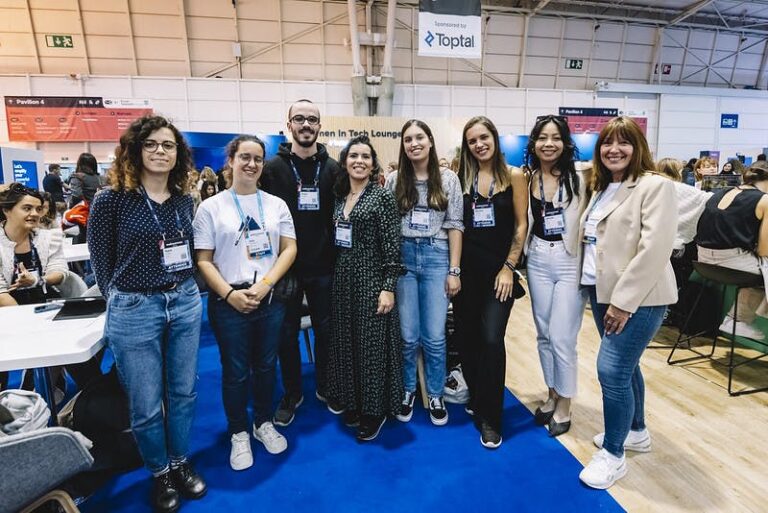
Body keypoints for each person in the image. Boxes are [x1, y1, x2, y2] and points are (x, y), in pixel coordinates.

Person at [87, 115, 206, 512]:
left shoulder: (183, 201)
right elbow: (101, 263)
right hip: (136, 307)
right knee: (145, 400)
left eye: (168, 145)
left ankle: (180, 461)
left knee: (184, 391)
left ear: (178, 154)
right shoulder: (111, 200)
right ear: (136, 151)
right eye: (152, 144)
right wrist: (122, 300)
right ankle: (159, 472)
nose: (160, 151)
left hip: (185, 301)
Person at [578, 116, 677, 489]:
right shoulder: (604, 186)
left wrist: (623, 303)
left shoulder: (655, 186)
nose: (614, 150)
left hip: (639, 298)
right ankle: (636, 431)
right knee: (627, 365)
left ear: (639, 148)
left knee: (612, 370)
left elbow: (655, 249)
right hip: (601, 292)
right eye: (607, 143)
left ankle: (614, 455)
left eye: (624, 143)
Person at [194, 135, 297, 471]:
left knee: (267, 365)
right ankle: (239, 431)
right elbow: (204, 260)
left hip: (269, 297)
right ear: (231, 162)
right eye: (244, 157)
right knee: (236, 372)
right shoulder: (211, 207)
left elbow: (289, 248)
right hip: (228, 301)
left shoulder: (275, 205)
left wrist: (267, 284)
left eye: (257, 158)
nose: (251, 164)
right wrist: (229, 294)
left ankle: (262, 421)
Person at [261, 99, 342, 425]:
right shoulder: (271, 170)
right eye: (299, 119)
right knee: (286, 333)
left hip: (325, 265)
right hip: (285, 268)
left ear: (320, 126)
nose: (306, 125)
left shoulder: (335, 169)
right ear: (289, 124)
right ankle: (293, 392)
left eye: (312, 119)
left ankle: (325, 384)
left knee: (326, 331)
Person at [453, 116, 528, 448]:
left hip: (500, 275)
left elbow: (521, 226)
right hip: (467, 274)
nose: (479, 144)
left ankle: (491, 418)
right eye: (472, 141)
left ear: (495, 138)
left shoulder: (514, 176)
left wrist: (509, 267)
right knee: (467, 339)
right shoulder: (461, 178)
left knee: (491, 339)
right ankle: (478, 397)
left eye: (483, 137)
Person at [326, 135, 404, 441]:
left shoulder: (381, 197)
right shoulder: (340, 196)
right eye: (354, 156)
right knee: (349, 344)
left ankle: (375, 411)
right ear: (345, 161)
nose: (359, 161)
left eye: (366, 157)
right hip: (344, 280)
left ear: (373, 165)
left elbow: (392, 246)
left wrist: (388, 286)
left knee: (372, 347)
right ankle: (356, 402)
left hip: (372, 280)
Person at [385, 120, 463, 426]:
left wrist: (454, 270)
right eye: (408, 139)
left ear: (430, 141)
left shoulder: (448, 179)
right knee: (407, 336)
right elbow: (390, 227)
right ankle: (407, 390)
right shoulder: (394, 179)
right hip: (404, 256)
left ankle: (434, 393)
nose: (414, 143)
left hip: (436, 256)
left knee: (433, 336)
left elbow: (456, 224)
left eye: (419, 137)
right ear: (403, 146)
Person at [524, 115, 589, 438]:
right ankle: (552, 393)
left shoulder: (581, 175)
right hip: (536, 257)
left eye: (556, 137)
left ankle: (566, 403)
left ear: (565, 143)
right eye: (542, 137)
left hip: (569, 260)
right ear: (533, 143)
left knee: (563, 336)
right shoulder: (529, 177)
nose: (548, 144)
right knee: (544, 333)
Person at [696, 161, 768, 340]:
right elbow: (764, 250)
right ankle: (739, 319)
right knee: (764, 271)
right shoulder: (764, 200)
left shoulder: (720, 192)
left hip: (702, 261)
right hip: (732, 266)